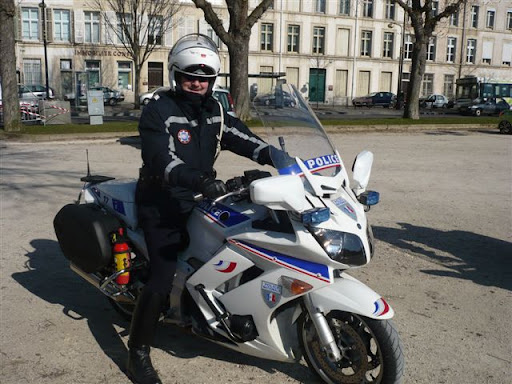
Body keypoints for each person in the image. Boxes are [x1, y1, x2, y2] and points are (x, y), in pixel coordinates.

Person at [127, 34, 275, 384]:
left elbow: (244, 139)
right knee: (163, 275)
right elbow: (161, 159)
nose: (197, 82)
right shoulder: (158, 109)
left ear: (213, 80)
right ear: (176, 75)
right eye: (190, 75)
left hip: (202, 197)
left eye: (204, 77)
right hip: (161, 201)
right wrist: (199, 180)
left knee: (241, 242)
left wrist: (278, 157)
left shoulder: (216, 111)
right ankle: (138, 353)